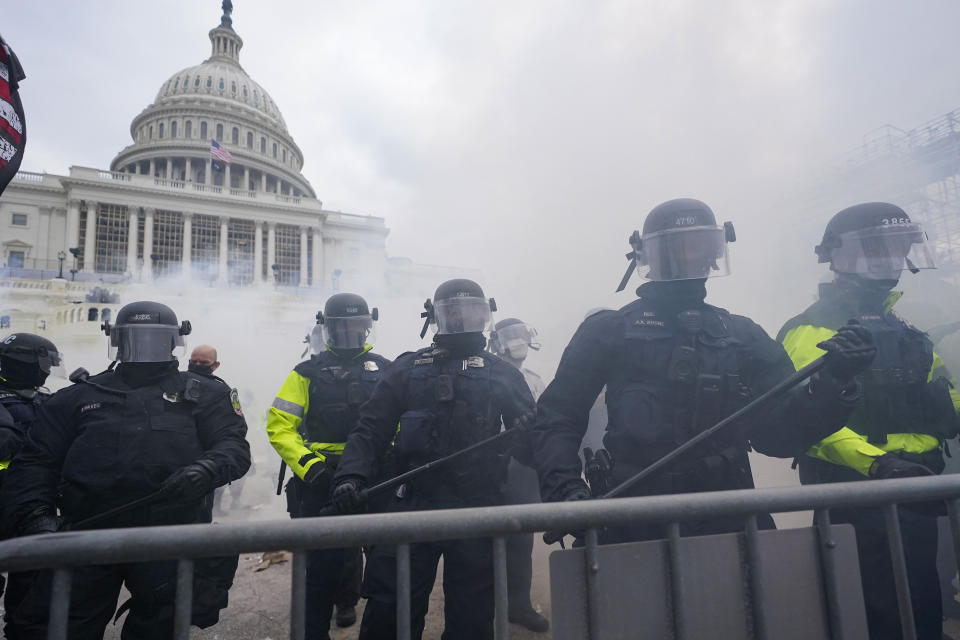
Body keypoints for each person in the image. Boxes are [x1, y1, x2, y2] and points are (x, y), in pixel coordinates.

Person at [531, 198, 876, 544]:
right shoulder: (609, 330)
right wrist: (566, 491)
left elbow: (778, 437)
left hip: (730, 513)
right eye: (676, 248)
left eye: (699, 246)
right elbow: (558, 415)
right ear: (647, 255)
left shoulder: (742, 335)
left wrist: (834, 384)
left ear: (715, 252)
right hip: (632, 518)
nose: (689, 257)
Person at [0, 301, 251, 639]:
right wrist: (37, 518)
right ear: (117, 339)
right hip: (85, 535)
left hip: (170, 535)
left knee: (159, 628)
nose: (145, 349)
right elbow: (35, 463)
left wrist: (206, 469)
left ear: (175, 340)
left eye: (154, 339)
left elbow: (233, 447)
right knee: (54, 627)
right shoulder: (76, 397)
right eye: (137, 339)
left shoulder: (207, 394)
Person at [777, 202, 960, 640]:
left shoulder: (908, 331)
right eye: (875, 249)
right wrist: (877, 465)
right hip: (858, 494)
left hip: (917, 490)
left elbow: (945, 398)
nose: (889, 260)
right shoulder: (812, 329)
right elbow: (809, 422)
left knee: (921, 607)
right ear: (838, 257)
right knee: (871, 613)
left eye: (897, 248)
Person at [332, 279, 536, 640]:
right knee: (390, 611)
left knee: (472, 620)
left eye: (470, 311)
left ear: (485, 314)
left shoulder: (503, 373)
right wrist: (350, 477)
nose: (460, 320)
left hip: (476, 508)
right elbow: (369, 430)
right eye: (452, 312)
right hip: (412, 504)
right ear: (436, 317)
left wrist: (527, 436)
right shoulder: (407, 369)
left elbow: (533, 446)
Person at [266, 293, 391, 639]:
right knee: (319, 572)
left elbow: (400, 425)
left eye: (357, 324)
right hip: (320, 480)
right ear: (327, 329)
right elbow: (280, 427)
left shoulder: (388, 370)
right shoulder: (305, 373)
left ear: (368, 327)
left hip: (375, 478)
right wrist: (312, 468)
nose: (350, 331)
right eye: (342, 325)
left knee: (386, 570)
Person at [488, 317, 549, 633]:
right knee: (482, 539)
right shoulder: (484, 374)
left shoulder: (535, 380)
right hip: (486, 467)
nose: (517, 342)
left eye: (520, 335)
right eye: (510, 337)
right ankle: (483, 609)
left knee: (521, 538)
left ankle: (519, 606)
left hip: (521, 468)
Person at [0, 333, 63, 602]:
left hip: (28, 505)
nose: (48, 372)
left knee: (33, 591)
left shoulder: (39, 400)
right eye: (47, 365)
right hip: (20, 502)